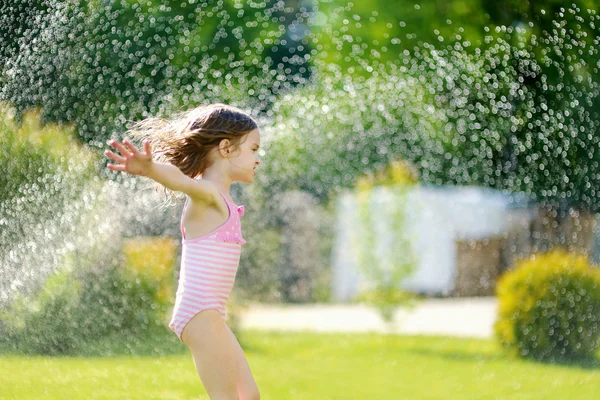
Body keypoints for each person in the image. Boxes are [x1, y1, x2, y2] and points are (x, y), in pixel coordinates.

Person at [104, 103, 261, 400]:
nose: (257, 159)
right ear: (226, 148)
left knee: (248, 395)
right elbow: (180, 180)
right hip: (200, 314)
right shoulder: (209, 193)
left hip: (210, 314)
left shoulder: (222, 198)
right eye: (253, 149)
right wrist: (151, 169)